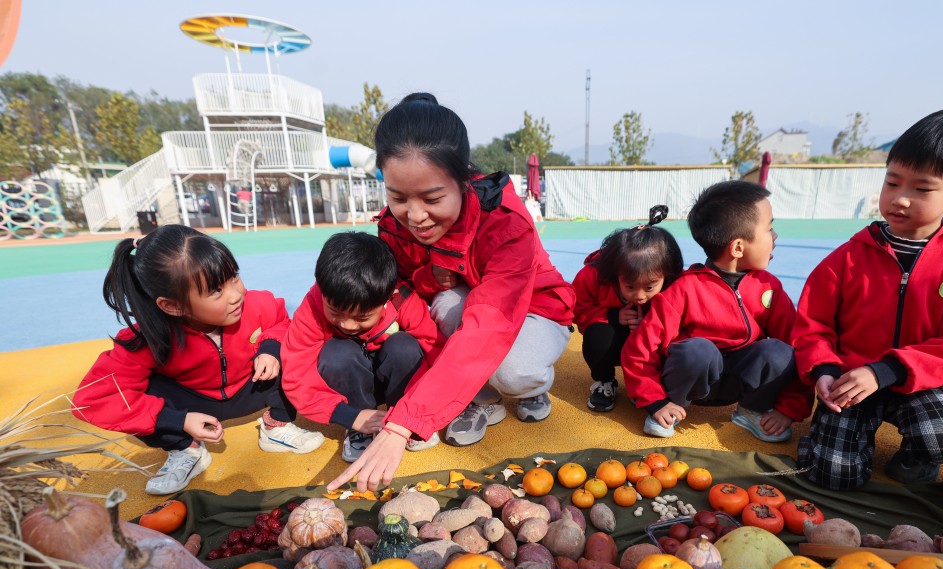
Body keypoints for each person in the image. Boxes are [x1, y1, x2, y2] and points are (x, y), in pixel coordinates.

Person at [331, 92, 575, 491]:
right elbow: (404, 291)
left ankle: (530, 386)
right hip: (467, 306)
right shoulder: (392, 228)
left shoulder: (506, 223)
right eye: (397, 197)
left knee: (514, 371)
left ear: (464, 181)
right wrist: (429, 279)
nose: (415, 216)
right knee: (443, 303)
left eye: (432, 198)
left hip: (534, 308)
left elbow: (487, 328)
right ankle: (479, 398)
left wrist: (403, 424)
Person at [793, 108, 943, 490]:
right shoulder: (849, 255)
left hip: (923, 384)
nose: (900, 199)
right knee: (833, 477)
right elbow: (812, 323)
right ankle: (831, 441)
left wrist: (886, 371)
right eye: (892, 182)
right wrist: (823, 369)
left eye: (922, 189)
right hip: (850, 382)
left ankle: (916, 452)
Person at [72, 225, 324, 495]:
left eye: (234, 276)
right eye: (216, 290)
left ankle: (277, 427)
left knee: (295, 348)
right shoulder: (147, 339)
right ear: (173, 305)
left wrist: (270, 349)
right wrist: (175, 420)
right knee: (135, 392)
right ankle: (186, 450)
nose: (235, 294)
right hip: (192, 406)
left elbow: (282, 323)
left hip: (250, 388)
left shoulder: (258, 305)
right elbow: (94, 398)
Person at [621, 181, 809, 442]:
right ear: (738, 248)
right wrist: (655, 400)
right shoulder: (685, 289)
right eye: (769, 228)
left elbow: (798, 346)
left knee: (779, 352)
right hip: (694, 379)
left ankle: (751, 410)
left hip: (739, 379)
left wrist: (789, 407)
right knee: (698, 350)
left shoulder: (769, 287)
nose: (775, 236)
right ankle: (670, 410)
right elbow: (640, 349)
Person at [281, 232, 445, 462]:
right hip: (350, 383)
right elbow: (297, 374)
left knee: (405, 346)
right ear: (323, 290)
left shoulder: (403, 300)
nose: (348, 324)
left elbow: (436, 353)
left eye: (362, 317)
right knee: (336, 353)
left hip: (393, 380)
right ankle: (360, 429)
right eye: (336, 313)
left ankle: (405, 418)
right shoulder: (312, 308)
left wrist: (423, 410)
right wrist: (349, 416)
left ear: (388, 297)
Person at [572, 204, 684, 412]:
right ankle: (605, 381)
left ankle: (651, 383)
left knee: (676, 343)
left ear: (666, 274)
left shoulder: (676, 284)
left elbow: (685, 319)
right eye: (630, 286)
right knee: (597, 336)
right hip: (614, 338)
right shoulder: (593, 276)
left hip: (651, 342)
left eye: (650, 287)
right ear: (616, 274)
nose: (640, 296)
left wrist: (653, 321)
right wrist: (613, 316)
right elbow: (577, 309)